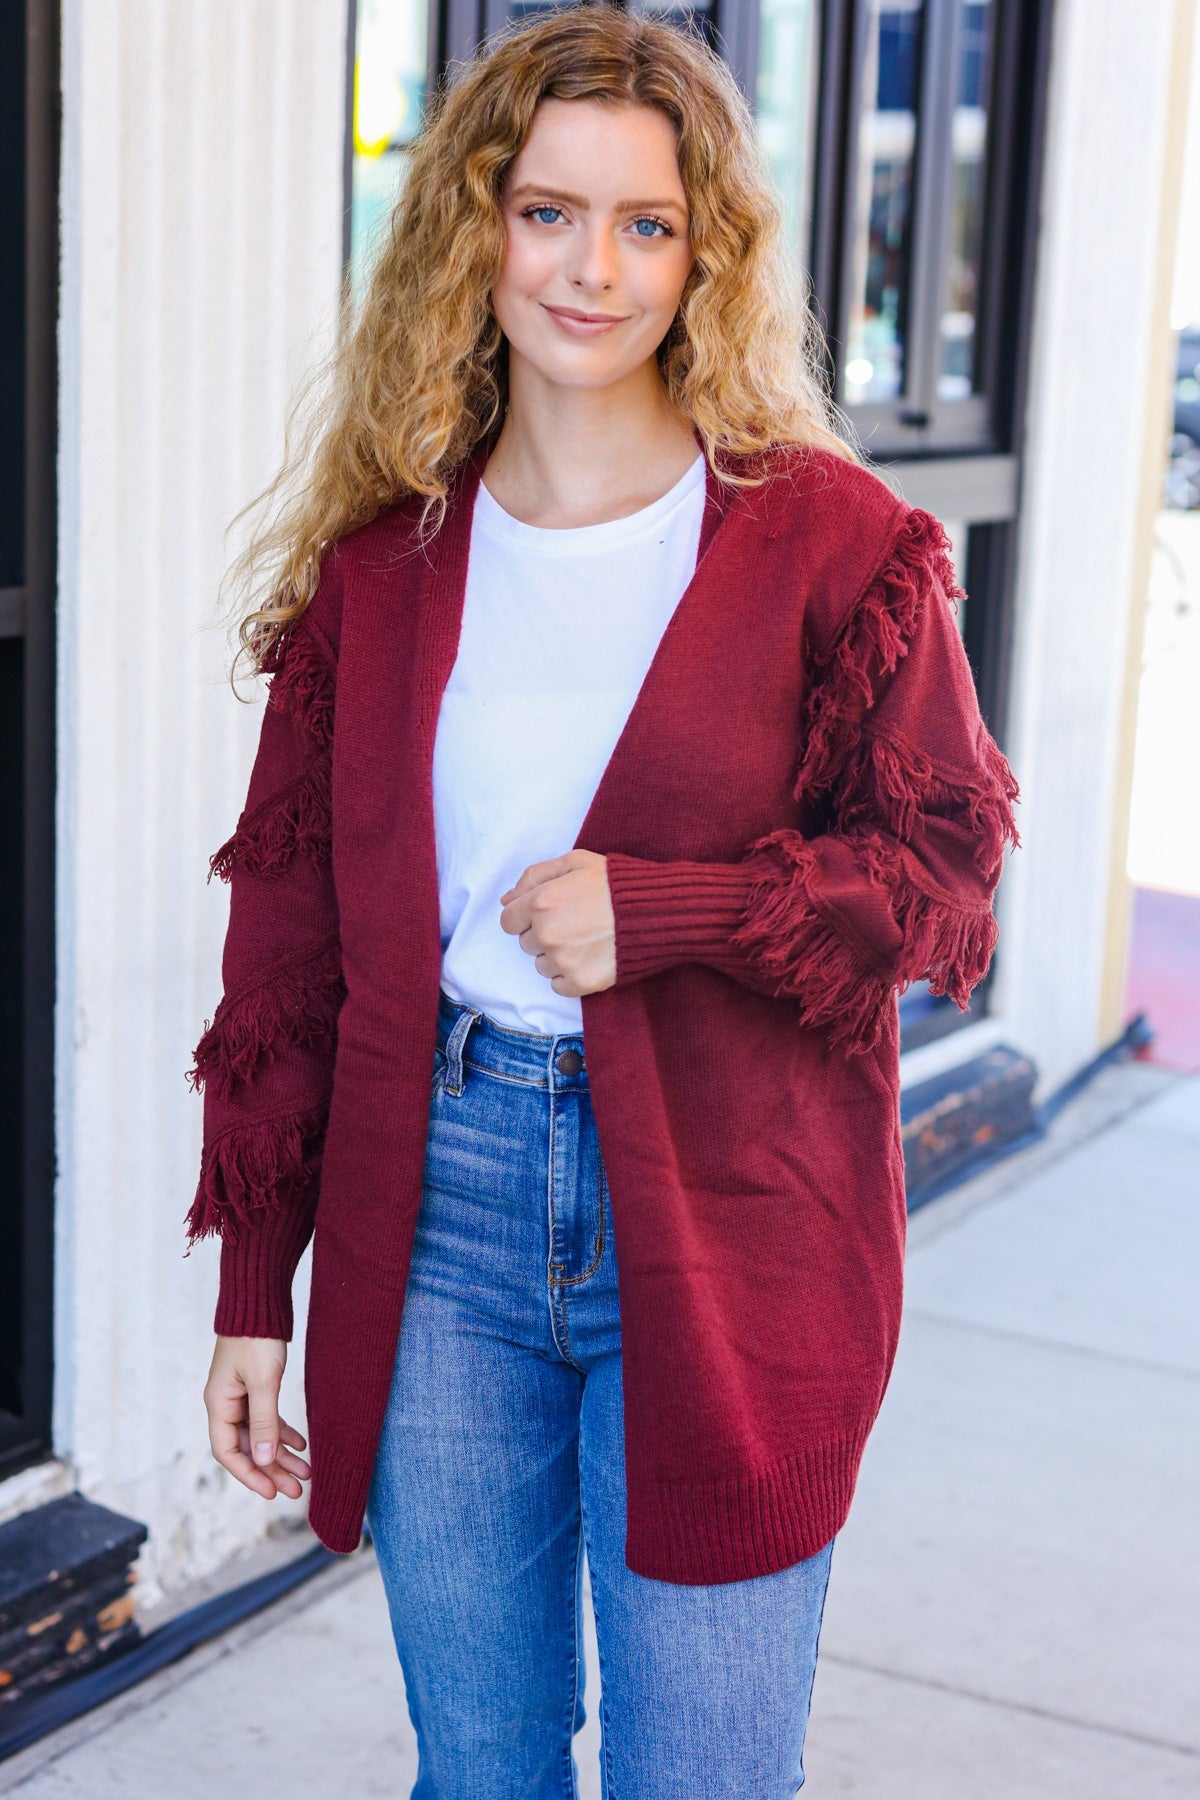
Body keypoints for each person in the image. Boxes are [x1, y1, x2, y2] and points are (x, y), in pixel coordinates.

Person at [187, 6, 1020, 1795]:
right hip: (444, 1210)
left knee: (702, 1774)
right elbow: (289, 948)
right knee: (480, 1765)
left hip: (737, 1217)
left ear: (705, 256)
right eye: (548, 210)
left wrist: (675, 916)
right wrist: (257, 1284)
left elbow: (947, 880)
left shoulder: (833, 546)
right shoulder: (382, 572)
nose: (593, 268)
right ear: (474, 228)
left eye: (647, 224)